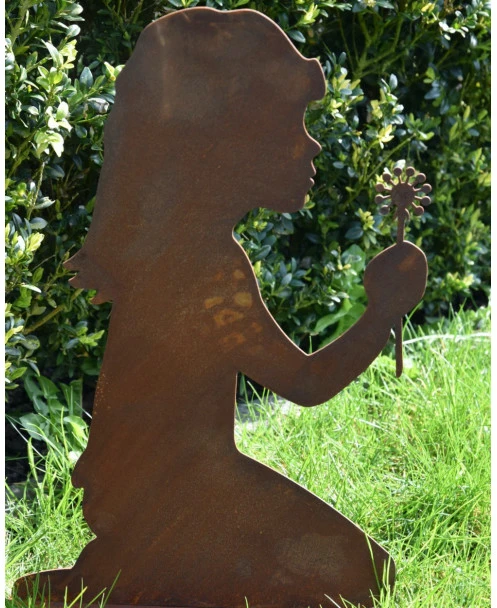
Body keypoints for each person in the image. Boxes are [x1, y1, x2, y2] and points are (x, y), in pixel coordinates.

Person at [15, 8, 427, 607]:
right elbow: (306, 383)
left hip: (158, 488)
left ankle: (125, 572)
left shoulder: (174, 250)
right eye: (292, 122)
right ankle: (135, 573)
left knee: (356, 574)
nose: (312, 144)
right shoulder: (206, 267)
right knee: (365, 576)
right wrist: (382, 313)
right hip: (180, 494)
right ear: (231, 140)